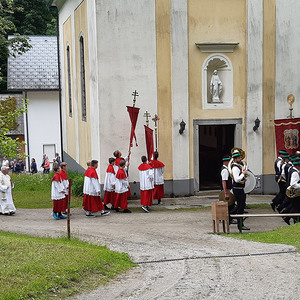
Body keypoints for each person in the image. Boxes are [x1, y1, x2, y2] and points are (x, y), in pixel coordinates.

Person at [230, 151, 250, 231]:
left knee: (240, 207)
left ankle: (231, 217)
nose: (240, 159)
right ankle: (240, 225)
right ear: (235, 159)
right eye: (239, 158)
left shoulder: (239, 166)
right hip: (237, 189)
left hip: (240, 189)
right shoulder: (235, 168)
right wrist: (243, 173)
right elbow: (237, 179)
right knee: (240, 208)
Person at [283, 158, 300, 225]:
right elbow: (293, 184)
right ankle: (294, 220)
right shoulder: (295, 173)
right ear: (298, 166)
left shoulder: (292, 170)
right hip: (295, 192)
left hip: (293, 192)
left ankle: (287, 218)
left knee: (294, 207)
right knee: (296, 208)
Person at [221, 155, 237, 225]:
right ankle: (229, 219)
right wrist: (226, 192)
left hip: (228, 189)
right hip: (227, 190)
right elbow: (224, 181)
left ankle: (228, 218)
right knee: (229, 206)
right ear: (226, 162)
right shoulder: (225, 170)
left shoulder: (227, 169)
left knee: (231, 205)